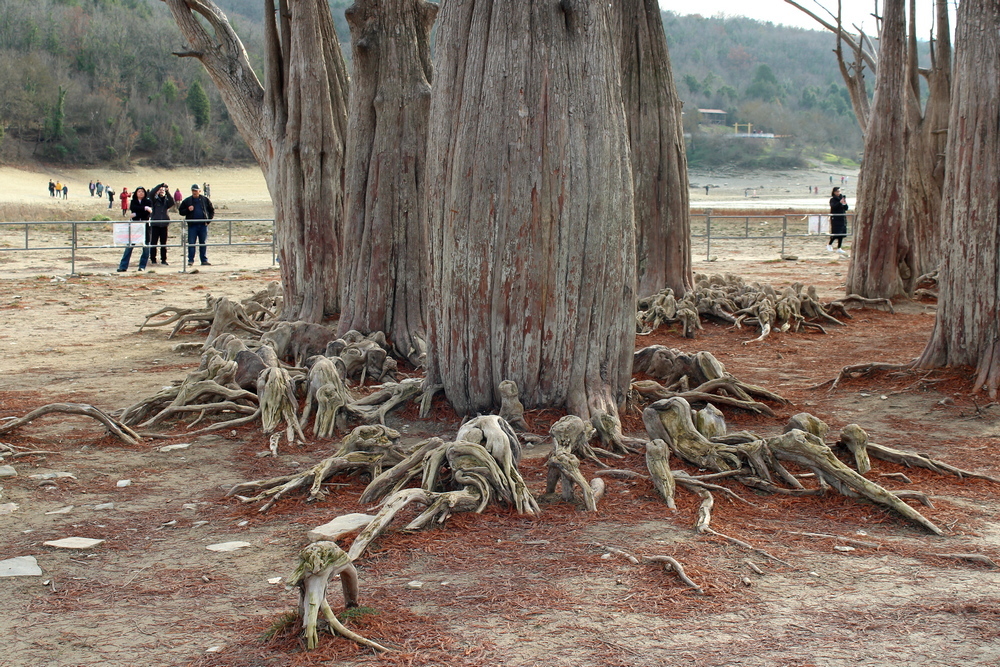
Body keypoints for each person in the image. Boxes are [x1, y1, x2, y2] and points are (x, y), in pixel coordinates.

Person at [117, 187, 153, 273]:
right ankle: (123, 266)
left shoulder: (148, 201)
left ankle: (142, 266)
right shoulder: (133, 202)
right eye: (139, 191)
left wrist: (137, 213)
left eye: (142, 191)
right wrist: (144, 208)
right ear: (136, 193)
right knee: (129, 246)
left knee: (146, 247)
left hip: (145, 226)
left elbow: (147, 214)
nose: (141, 193)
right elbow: (133, 208)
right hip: (135, 226)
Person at [179, 183, 214, 266]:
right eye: (193, 190)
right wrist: (188, 210)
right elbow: (181, 211)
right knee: (191, 243)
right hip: (192, 226)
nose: (194, 192)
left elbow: (211, 210)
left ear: (199, 191)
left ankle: (204, 260)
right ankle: (190, 260)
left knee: (203, 243)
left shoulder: (205, 200)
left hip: (203, 225)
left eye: (196, 190)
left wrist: (208, 220)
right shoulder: (187, 201)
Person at [148, 183, 175, 265]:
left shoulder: (166, 201)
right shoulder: (154, 200)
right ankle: (153, 259)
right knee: (153, 243)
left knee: (163, 243)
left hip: (164, 225)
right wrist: (159, 185)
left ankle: (163, 260)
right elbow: (151, 193)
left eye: (163, 190)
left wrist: (167, 191)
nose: (162, 191)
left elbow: (172, 202)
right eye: (160, 190)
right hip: (155, 224)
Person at [827, 187, 849, 255]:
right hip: (836, 218)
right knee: (836, 232)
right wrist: (839, 203)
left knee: (842, 233)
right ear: (834, 192)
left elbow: (846, 208)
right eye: (837, 191)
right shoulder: (832, 199)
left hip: (842, 217)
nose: (838, 193)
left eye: (839, 191)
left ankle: (839, 247)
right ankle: (829, 244)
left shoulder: (842, 198)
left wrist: (844, 203)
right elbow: (834, 207)